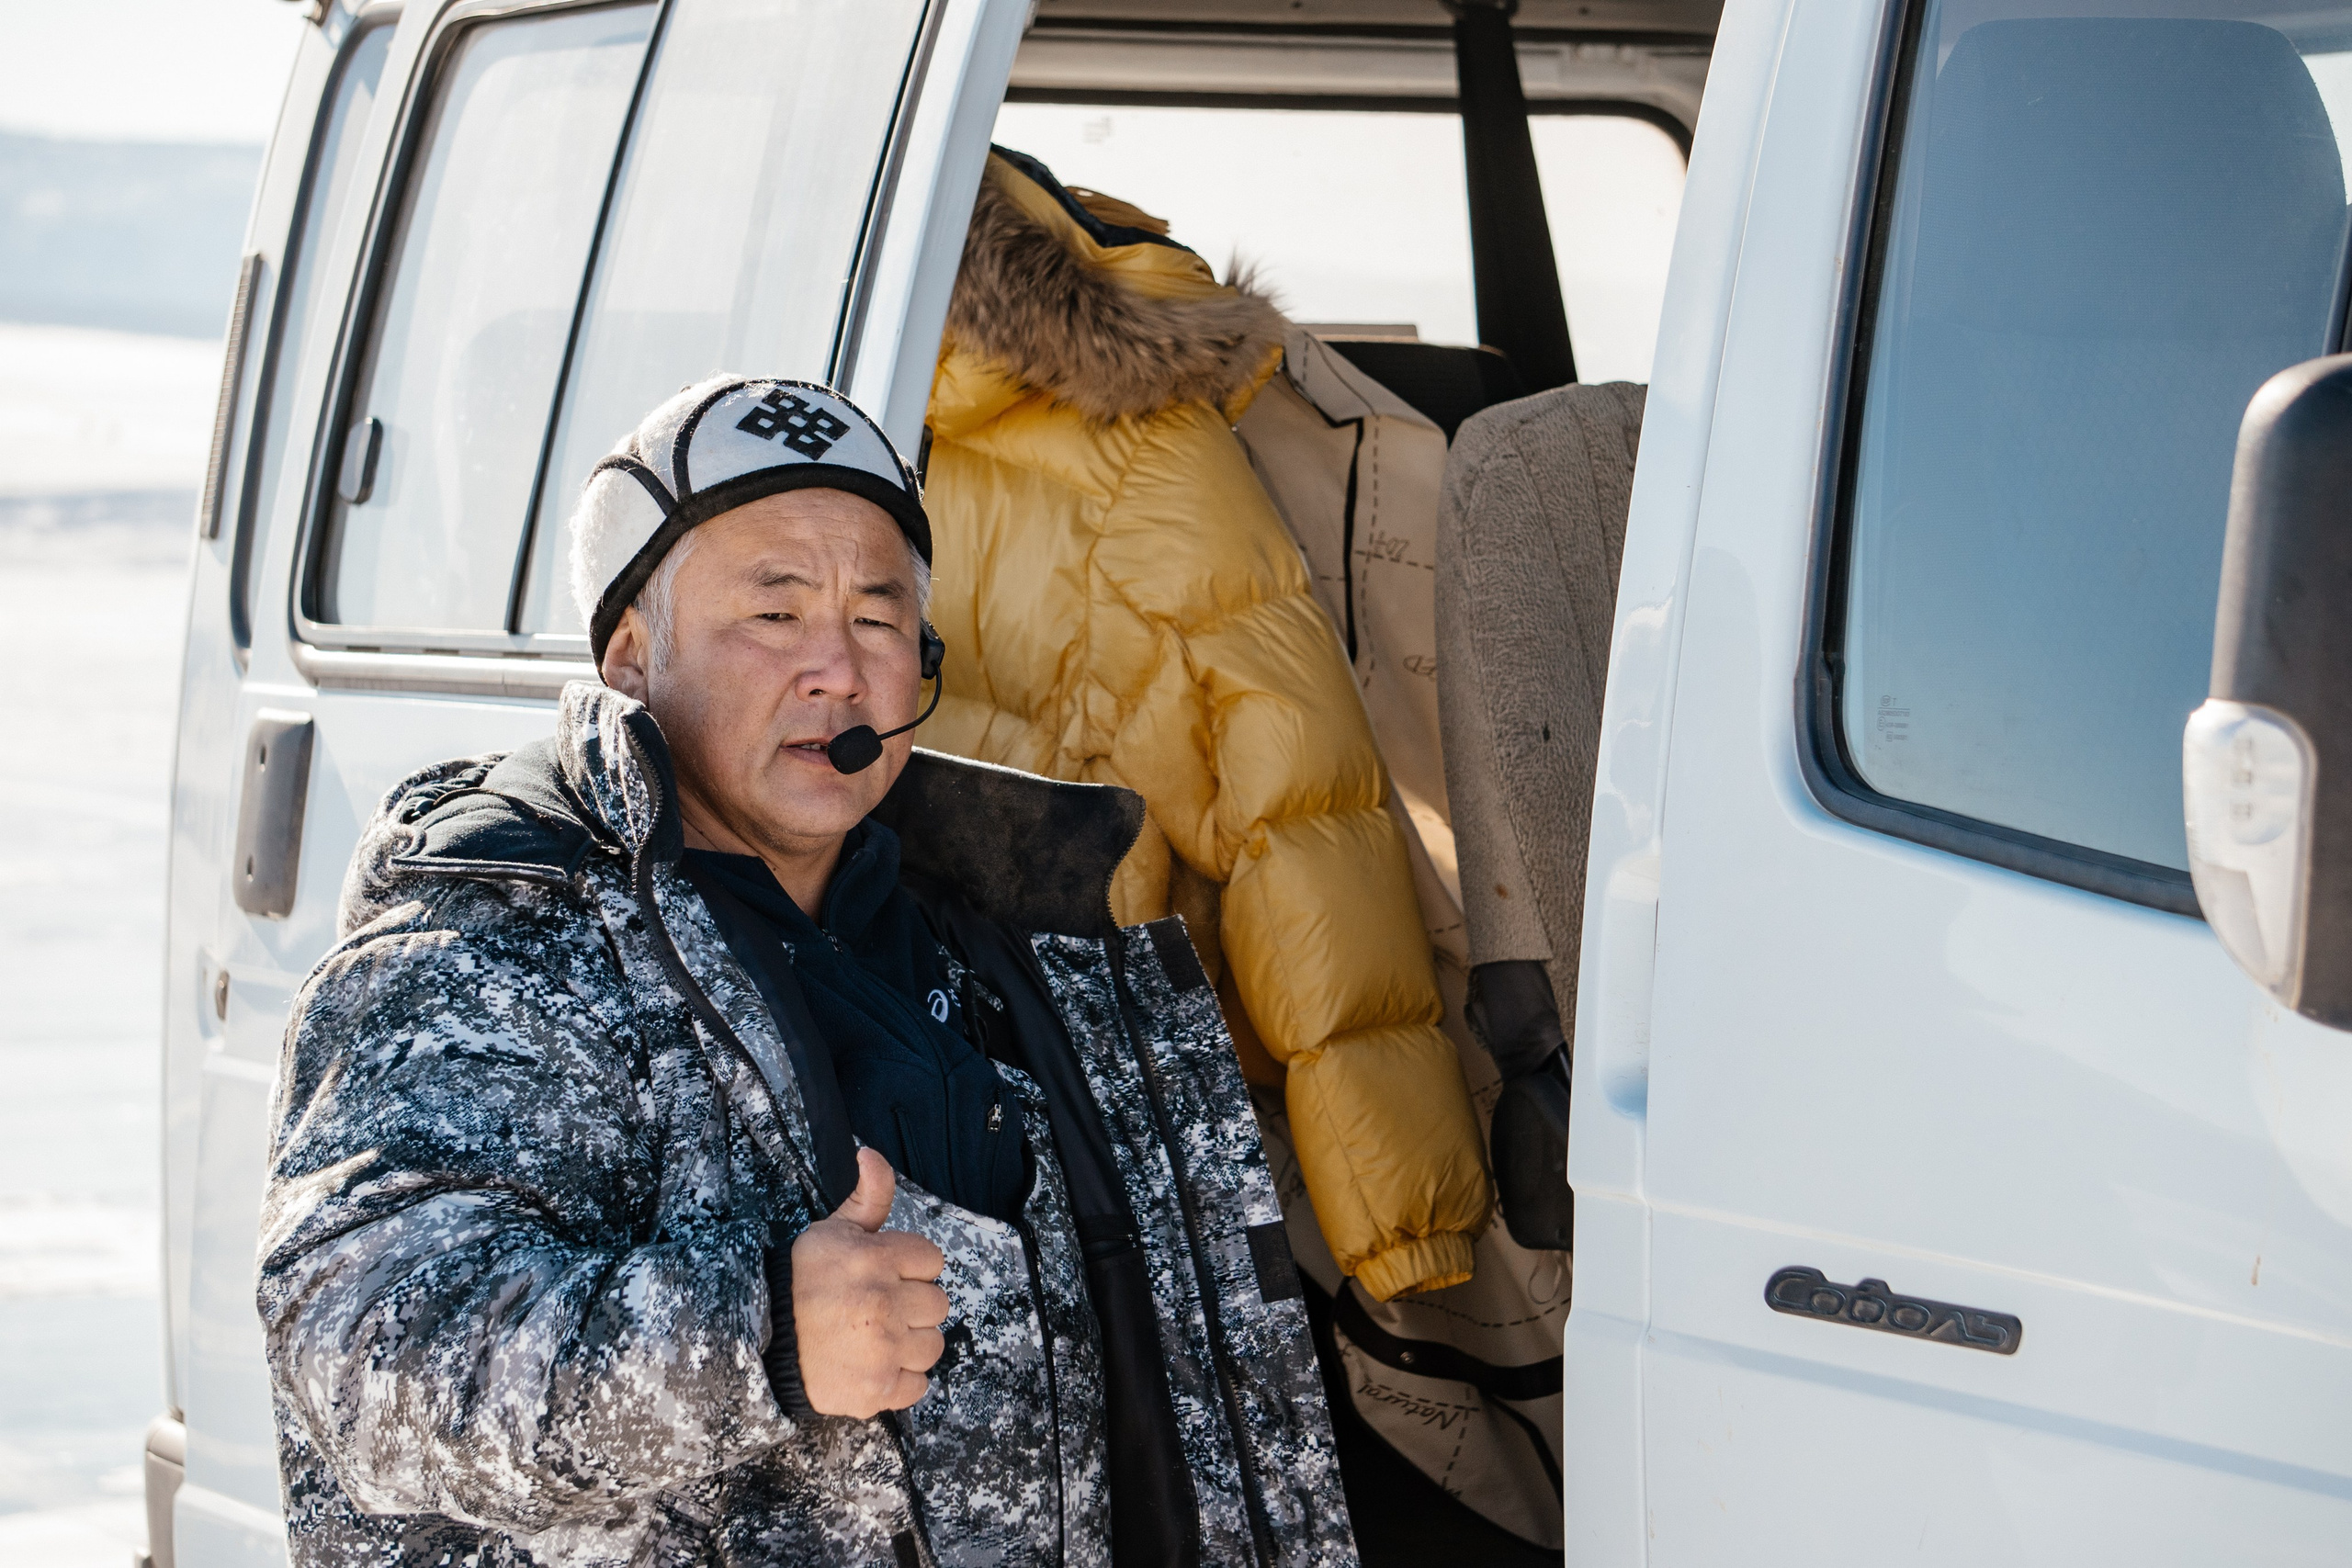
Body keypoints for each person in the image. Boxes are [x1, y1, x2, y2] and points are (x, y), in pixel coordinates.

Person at [256, 378, 1353, 1568]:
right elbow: (369, 1350)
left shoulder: (1006, 937)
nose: (837, 664)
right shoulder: (495, 944)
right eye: (774, 614)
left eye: (878, 616)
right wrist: (762, 1331)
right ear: (631, 655)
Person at [921, 149, 1493, 1303]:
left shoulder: (791, 422)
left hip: (942, 1067)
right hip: (1100, 1080)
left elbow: (1291, 805)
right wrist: (1396, 1214)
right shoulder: (1142, 448)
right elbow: (1297, 814)